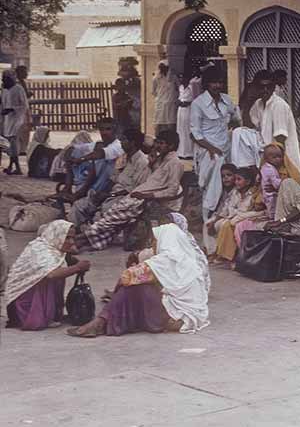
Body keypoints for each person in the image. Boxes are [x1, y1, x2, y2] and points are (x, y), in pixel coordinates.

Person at [67, 213, 210, 337]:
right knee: (140, 287)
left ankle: (101, 322)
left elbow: (126, 277)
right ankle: (104, 320)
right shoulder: (188, 258)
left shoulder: (164, 261)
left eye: (155, 240)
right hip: (188, 314)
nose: (153, 244)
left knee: (133, 288)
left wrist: (116, 292)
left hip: (174, 316)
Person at [76, 130, 184, 252]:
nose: (157, 146)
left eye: (161, 143)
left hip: (148, 199)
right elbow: (153, 179)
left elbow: (172, 190)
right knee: (114, 220)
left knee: (111, 219)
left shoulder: (175, 163)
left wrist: (148, 195)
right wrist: (152, 162)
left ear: (171, 146)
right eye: (157, 142)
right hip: (140, 195)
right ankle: (87, 242)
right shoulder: (160, 159)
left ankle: (80, 238)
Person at [3, 221, 91, 330]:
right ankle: (38, 315)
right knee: (48, 278)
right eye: (67, 238)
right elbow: (51, 274)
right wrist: (77, 268)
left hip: (29, 296)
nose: (72, 242)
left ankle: (50, 312)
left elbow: (65, 258)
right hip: (23, 302)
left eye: (73, 238)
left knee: (59, 273)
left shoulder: (54, 247)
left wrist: (77, 263)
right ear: (57, 235)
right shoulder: (41, 250)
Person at [190, 67, 241, 223]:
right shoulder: (198, 104)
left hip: (226, 149)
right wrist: (212, 149)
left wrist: (232, 132)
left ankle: (221, 217)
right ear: (207, 84)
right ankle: (207, 219)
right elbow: (195, 133)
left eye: (220, 82)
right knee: (210, 187)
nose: (217, 85)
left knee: (227, 185)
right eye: (214, 82)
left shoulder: (227, 100)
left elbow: (236, 119)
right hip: (208, 152)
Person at [70, 129, 149, 227]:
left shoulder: (142, 162)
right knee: (79, 206)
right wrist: (104, 193)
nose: (121, 143)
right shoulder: (123, 157)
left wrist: (110, 195)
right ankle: (71, 232)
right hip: (112, 195)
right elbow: (113, 179)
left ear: (132, 143)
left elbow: (134, 189)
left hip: (126, 198)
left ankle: (90, 233)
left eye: (124, 140)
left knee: (102, 213)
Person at [249, 70, 300, 175]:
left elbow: (280, 138)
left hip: (281, 159)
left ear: (273, 87)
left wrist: (278, 166)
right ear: (256, 88)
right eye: (261, 87)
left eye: (268, 87)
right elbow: (252, 125)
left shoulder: (279, 105)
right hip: (268, 158)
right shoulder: (258, 104)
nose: (265, 90)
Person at [213, 166, 266, 264]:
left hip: (248, 218)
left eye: (239, 179)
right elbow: (229, 208)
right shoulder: (235, 193)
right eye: (235, 180)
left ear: (248, 182)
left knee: (228, 225)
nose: (236, 182)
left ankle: (230, 256)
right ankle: (221, 253)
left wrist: (235, 216)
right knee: (221, 223)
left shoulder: (253, 193)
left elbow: (255, 211)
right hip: (235, 217)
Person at [203, 164, 238, 253]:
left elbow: (228, 210)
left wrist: (216, 219)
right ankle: (211, 251)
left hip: (232, 215)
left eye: (229, 175)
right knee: (207, 223)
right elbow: (221, 208)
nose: (226, 178)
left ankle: (219, 251)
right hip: (223, 214)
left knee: (217, 224)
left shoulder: (236, 191)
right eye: (223, 176)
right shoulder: (223, 190)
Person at [2, 70, 29, 175]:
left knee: (14, 143)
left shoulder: (18, 89)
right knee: (10, 144)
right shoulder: (4, 90)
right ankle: (12, 166)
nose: (3, 81)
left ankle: (16, 167)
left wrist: (12, 109)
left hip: (18, 119)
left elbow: (24, 105)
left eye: (5, 79)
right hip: (7, 120)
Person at [151, 61, 179, 134]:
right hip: (160, 103)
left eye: (164, 67)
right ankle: (157, 138)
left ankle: (170, 138)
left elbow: (179, 88)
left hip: (171, 103)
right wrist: (161, 97)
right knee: (158, 123)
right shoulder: (155, 78)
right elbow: (153, 92)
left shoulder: (174, 77)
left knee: (171, 123)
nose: (163, 69)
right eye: (161, 67)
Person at [175, 73, 195, 160]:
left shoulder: (192, 87)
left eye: (182, 78)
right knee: (180, 130)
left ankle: (189, 152)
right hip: (181, 110)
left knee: (187, 130)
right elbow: (180, 98)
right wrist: (179, 102)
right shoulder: (181, 87)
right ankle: (181, 152)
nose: (181, 79)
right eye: (180, 78)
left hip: (188, 110)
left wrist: (187, 103)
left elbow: (194, 99)